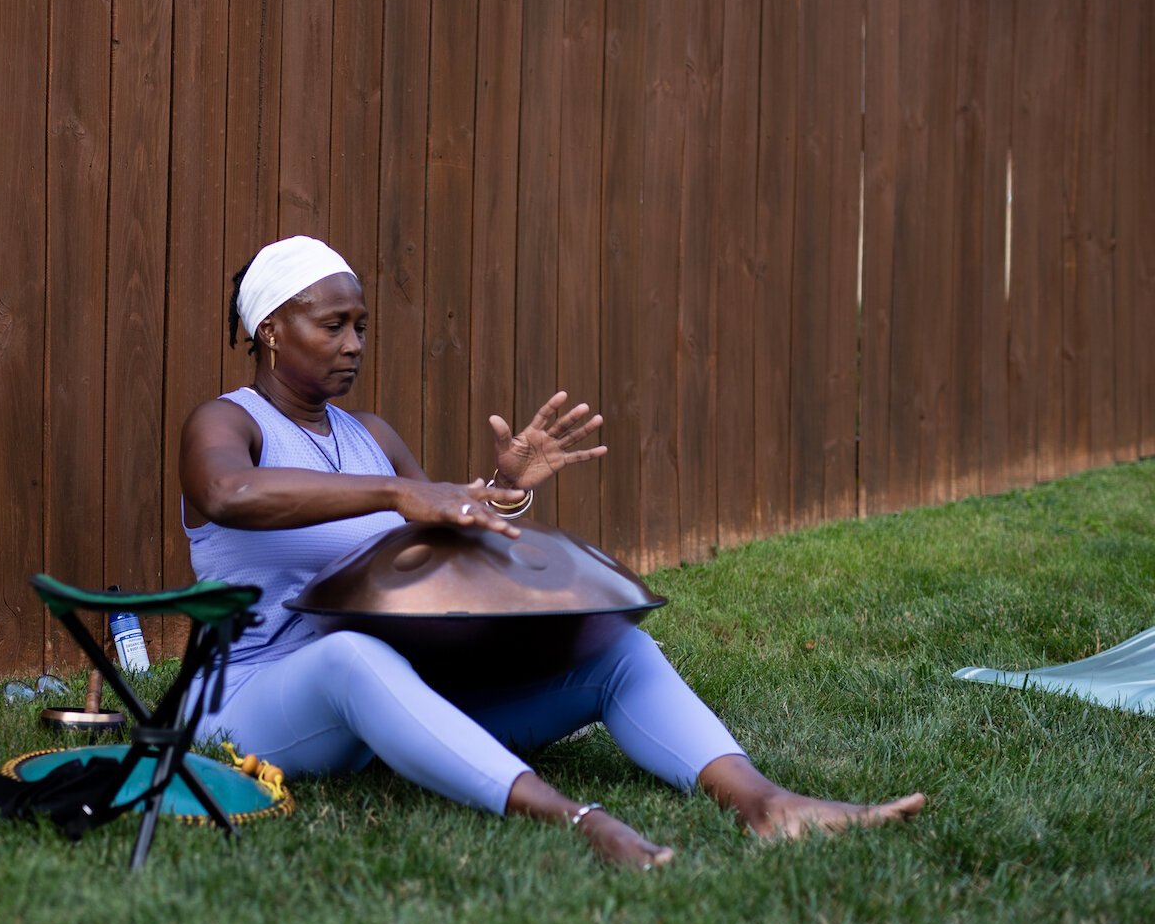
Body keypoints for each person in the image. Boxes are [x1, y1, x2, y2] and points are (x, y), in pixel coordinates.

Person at [179, 236, 924, 869]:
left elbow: (432, 545)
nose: (354, 344)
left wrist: (499, 490)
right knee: (351, 658)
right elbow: (227, 492)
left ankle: (764, 803)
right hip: (247, 700)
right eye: (333, 325)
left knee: (616, 654)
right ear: (272, 329)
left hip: (393, 702)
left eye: (361, 325)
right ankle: (576, 819)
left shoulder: (369, 434)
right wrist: (397, 494)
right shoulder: (226, 423)